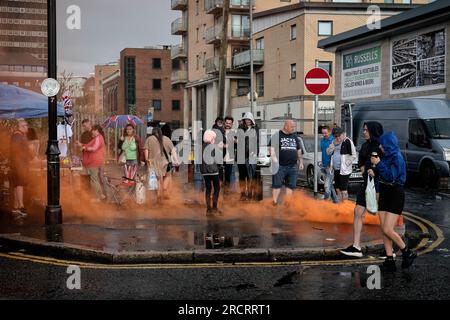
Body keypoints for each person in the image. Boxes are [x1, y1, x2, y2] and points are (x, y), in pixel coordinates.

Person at [371, 131, 416, 272]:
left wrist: (378, 164)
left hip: (395, 193)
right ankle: (390, 260)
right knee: (383, 229)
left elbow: (391, 177)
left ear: (388, 145)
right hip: (385, 192)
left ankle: (407, 251)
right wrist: (375, 172)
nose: (380, 146)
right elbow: (383, 177)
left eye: (382, 144)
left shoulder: (397, 157)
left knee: (387, 229)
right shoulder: (387, 156)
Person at [341, 122, 384, 258]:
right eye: (364, 129)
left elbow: (387, 165)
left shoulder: (381, 146)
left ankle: (389, 248)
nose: (363, 132)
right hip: (366, 183)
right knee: (357, 211)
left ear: (373, 131)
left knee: (382, 217)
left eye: (366, 130)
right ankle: (356, 246)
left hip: (379, 185)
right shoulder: (365, 145)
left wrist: (375, 170)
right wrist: (363, 169)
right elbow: (360, 162)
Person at [270, 120, 304, 206]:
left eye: (294, 127)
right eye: (292, 126)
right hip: (280, 165)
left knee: (291, 185)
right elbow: (271, 149)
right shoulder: (277, 135)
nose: (293, 128)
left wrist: (301, 162)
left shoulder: (294, 136)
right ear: (286, 126)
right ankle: (274, 202)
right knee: (277, 185)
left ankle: (287, 202)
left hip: (293, 166)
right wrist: (275, 161)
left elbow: (299, 150)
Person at [144, 127, 177, 200]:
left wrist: (147, 160)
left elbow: (146, 150)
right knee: (167, 175)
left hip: (154, 163)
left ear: (153, 132)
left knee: (157, 179)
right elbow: (173, 151)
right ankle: (164, 189)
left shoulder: (149, 139)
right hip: (165, 162)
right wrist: (176, 160)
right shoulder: (167, 139)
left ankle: (158, 195)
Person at [78, 125, 106, 202]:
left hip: (94, 161)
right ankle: (101, 195)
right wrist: (82, 145)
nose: (91, 132)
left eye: (93, 130)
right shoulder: (98, 138)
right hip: (95, 161)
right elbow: (90, 145)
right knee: (95, 179)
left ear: (96, 130)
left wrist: (84, 148)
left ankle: (97, 198)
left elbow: (94, 148)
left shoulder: (98, 138)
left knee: (93, 180)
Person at [328, 127, 356, 202]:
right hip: (336, 169)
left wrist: (346, 164)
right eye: (335, 136)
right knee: (337, 189)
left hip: (344, 170)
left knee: (343, 189)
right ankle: (340, 205)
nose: (337, 138)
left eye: (338, 136)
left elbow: (353, 155)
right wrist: (332, 146)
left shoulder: (347, 141)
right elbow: (329, 153)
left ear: (343, 134)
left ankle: (345, 205)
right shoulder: (334, 141)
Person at [9, 119, 31, 217]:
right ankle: (21, 207)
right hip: (18, 165)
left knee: (16, 185)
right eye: (26, 126)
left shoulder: (19, 135)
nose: (27, 127)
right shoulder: (18, 135)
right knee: (19, 184)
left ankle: (16, 207)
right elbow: (15, 149)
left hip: (18, 164)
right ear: (22, 126)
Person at [237, 112, 259, 201]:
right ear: (244, 120)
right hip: (241, 156)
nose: (247, 121)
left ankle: (250, 194)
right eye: (246, 119)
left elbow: (257, 141)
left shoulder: (256, 129)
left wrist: (256, 153)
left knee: (251, 176)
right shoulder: (240, 128)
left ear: (252, 120)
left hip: (251, 156)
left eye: (249, 119)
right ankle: (242, 194)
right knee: (242, 177)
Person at [201, 130, 222, 216]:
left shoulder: (200, 147)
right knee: (217, 188)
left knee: (208, 189)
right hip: (214, 171)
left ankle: (208, 209)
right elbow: (218, 159)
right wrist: (220, 166)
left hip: (205, 172)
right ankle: (214, 207)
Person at [319, 125, 337, 203]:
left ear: (329, 132)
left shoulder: (333, 140)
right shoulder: (322, 140)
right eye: (323, 133)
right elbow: (323, 152)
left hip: (331, 167)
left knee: (326, 186)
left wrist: (332, 165)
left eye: (325, 133)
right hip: (324, 165)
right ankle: (336, 201)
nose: (324, 135)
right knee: (330, 185)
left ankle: (326, 202)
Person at [223, 116, 236, 194]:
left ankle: (226, 193)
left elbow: (239, 142)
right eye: (227, 123)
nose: (228, 125)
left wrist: (235, 140)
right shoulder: (220, 131)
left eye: (229, 123)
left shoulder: (234, 133)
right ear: (224, 123)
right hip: (219, 157)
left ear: (232, 124)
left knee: (228, 177)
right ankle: (217, 194)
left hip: (229, 158)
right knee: (218, 177)